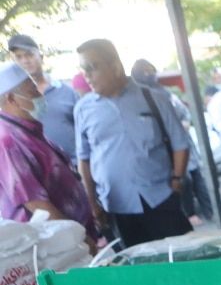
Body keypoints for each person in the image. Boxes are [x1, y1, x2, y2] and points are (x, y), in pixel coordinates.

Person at [74, 39, 191, 248]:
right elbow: (84, 159)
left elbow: (180, 143)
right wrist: (92, 203)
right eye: (83, 69)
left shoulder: (154, 98)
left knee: (182, 261)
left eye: (92, 67)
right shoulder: (83, 109)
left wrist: (177, 180)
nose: (87, 75)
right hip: (117, 207)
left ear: (115, 66)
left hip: (161, 198)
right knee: (137, 271)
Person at [0, 63, 97, 242]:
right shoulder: (7, 141)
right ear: (12, 99)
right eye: (32, 92)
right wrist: (76, 238)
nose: (40, 95)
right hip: (54, 243)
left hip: (73, 233)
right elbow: (37, 204)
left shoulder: (28, 130)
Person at [130, 59, 213, 225]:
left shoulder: (164, 93)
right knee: (184, 182)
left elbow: (184, 114)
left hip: (183, 145)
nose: (149, 74)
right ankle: (189, 215)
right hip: (165, 156)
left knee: (197, 177)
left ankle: (210, 213)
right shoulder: (135, 101)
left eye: (150, 70)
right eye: (144, 71)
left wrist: (184, 123)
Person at [7, 34, 79, 165]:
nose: (25, 61)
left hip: (78, 170)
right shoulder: (11, 102)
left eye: (29, 55)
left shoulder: (66, 92)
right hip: (41, 176)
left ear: (41, 57)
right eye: (18, 57)